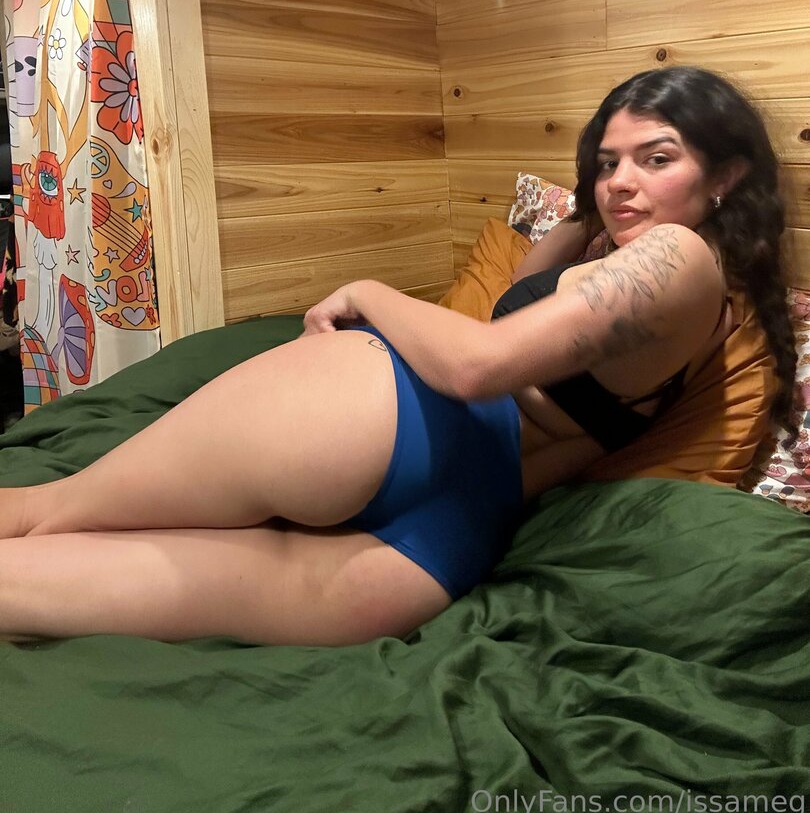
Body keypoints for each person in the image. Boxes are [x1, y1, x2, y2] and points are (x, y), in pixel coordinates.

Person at [0, 67, 795, 648]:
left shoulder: (676, 258)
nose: (621, 181)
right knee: (32, 586)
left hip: (377, 421)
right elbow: (520, 300)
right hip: (441, 540)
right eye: (608, 162)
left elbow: (478, 361)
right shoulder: (697, 300)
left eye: (656, 159)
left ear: (725, 175)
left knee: (50, 511)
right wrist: (590, 209)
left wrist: (369, 291)